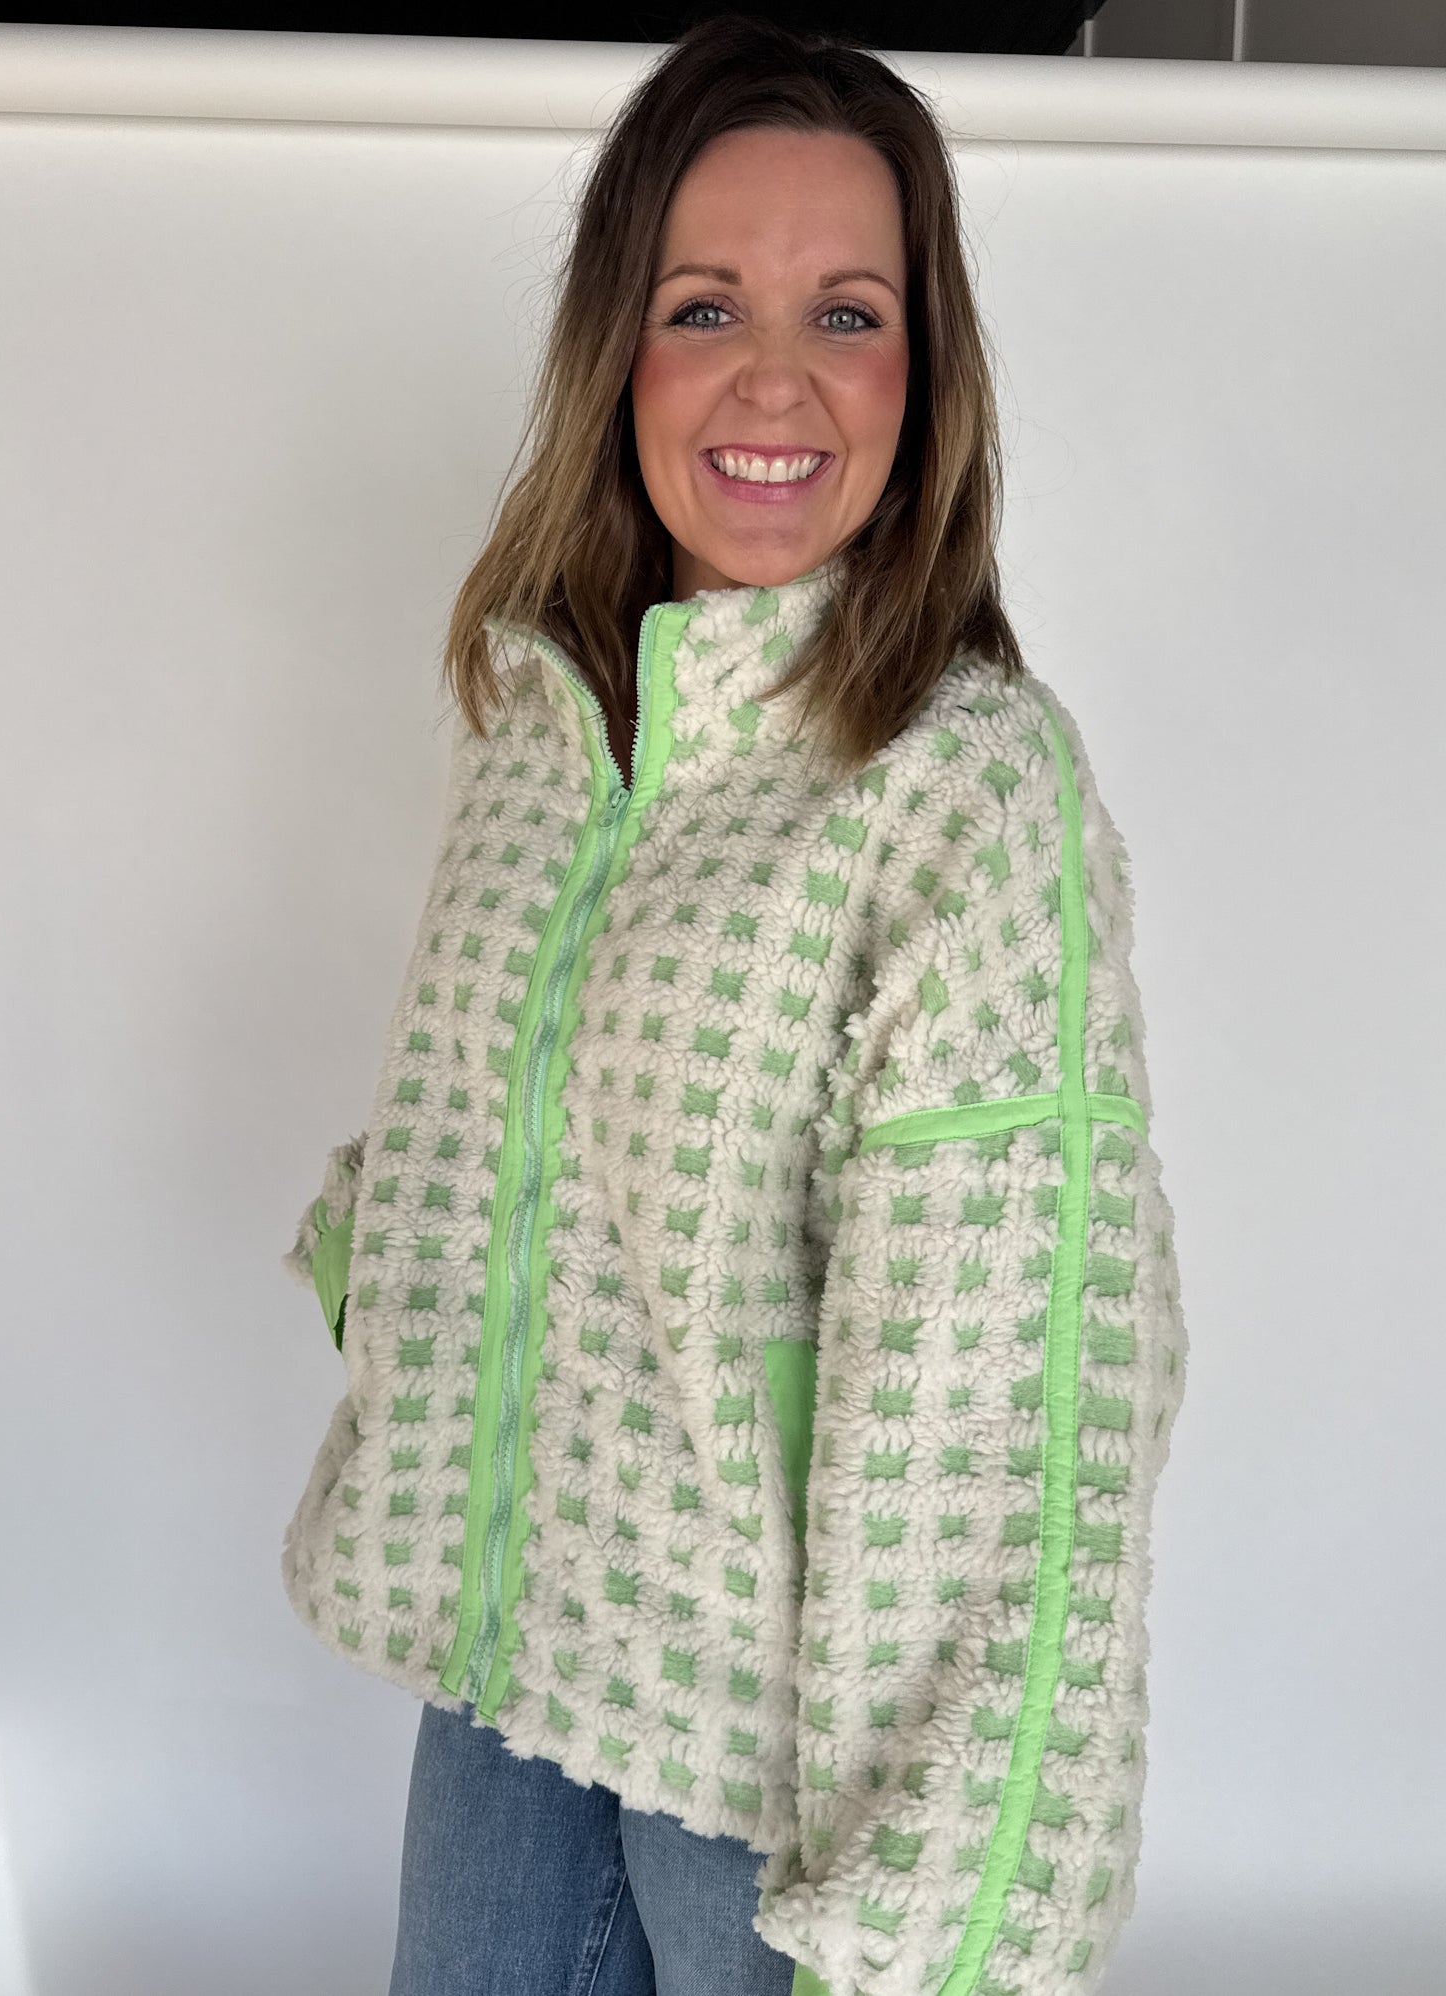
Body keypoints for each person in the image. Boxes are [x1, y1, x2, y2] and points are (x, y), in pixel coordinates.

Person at [280, 15, 1189, 1996]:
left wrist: (944, 1891)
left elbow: (1016, 1381)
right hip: (509, 1655)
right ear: (618, 350)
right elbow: (488, 1123)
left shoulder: (961, 789)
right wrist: (395, 1274)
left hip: (774, 1745)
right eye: (706, 305)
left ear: (924, 375)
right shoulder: (548, 726)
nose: (775, 378)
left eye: (847, 314)